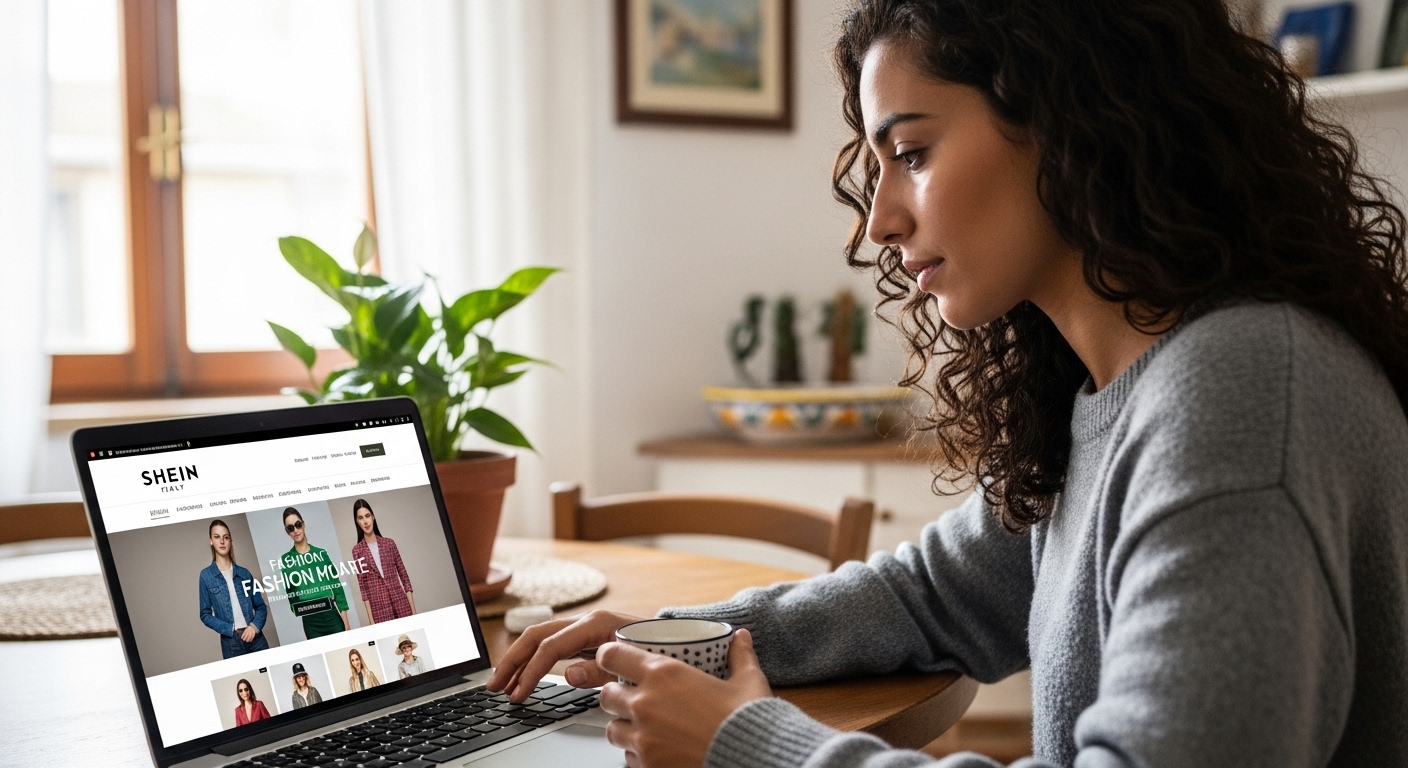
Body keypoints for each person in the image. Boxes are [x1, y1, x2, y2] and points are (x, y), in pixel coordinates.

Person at [487, 1, 1408, 766]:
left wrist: (747, 745)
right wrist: (675, 637)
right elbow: (932, 596)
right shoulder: (1106, 389)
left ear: (1075, 117)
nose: (877, 222)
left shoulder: (1238, 393)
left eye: (914, 153)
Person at [198, 519, 269, 658]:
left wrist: (254, 627)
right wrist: (228, 629)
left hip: (256, 640)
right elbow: (204, 614)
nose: (222, 541)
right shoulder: (206, 576)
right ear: (211, 541)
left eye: (226, 537)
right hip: (231, 643)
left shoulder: (244, 574)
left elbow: (261, 606)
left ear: (230, 541)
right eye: (217, 537)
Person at [278, 508, 350, 639]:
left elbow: (337, 587)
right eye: (290, 528)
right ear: (287, 531)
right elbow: (290, 594)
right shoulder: (286, 560)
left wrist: (346, 623)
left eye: (298, 524)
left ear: (303, 525)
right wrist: (299, 609)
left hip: (331, 616)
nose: (295, 530)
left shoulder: (321, 554)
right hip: (311, 622)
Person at [349, 499, 416, 624]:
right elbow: (363, 588)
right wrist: (371, 622)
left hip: (402, 604)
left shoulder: (389, 544)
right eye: (361, 518)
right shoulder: (357, 551)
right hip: (379, 611)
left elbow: (404, 577)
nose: (365, 521)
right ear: (357, 522)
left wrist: (414, 612)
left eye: (367, 516)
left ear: (373, 517)